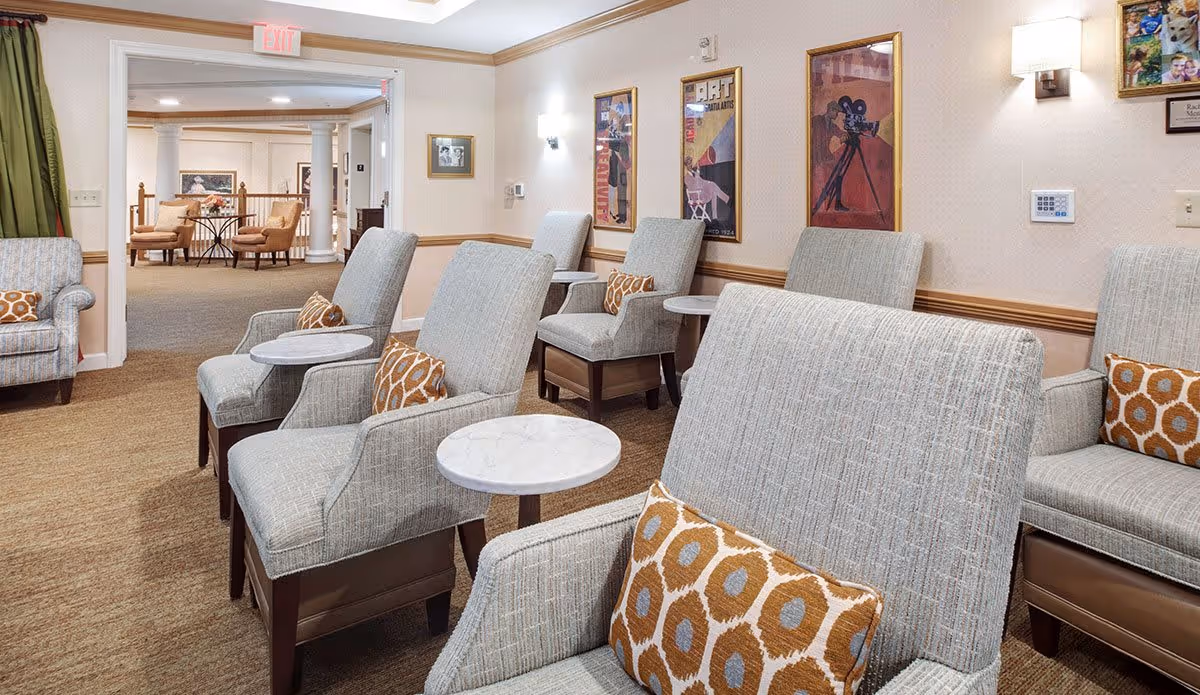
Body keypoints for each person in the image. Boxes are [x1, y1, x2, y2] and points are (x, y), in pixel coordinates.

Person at [810, 100, 849, 212]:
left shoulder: (832, 126)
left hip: (825, 155)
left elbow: (841, 133)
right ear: (830, 110)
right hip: (814, 155)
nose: (837, 115)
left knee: (839, 173)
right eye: (836, 112)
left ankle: (837, 203)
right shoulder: (817, 120)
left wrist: (844, 135)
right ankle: (813, 205)